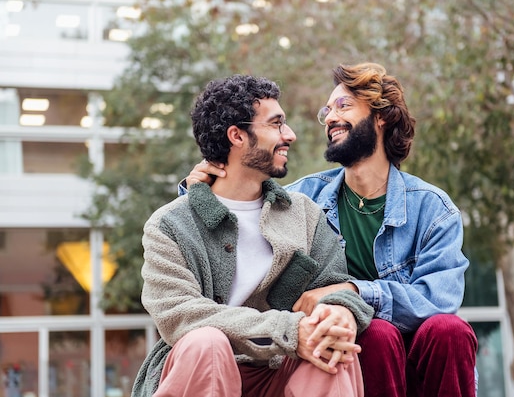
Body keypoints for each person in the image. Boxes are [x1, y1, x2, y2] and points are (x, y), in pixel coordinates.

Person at [181, 62, 478, 397]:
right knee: (376, 332)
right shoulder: (303, 198)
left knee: (450, 329)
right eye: (327, 111)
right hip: (362, 352)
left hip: (423, 359)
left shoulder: (432, 207)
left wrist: (355, 290)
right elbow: (244, 206)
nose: (330, 118)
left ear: (382, 117)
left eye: (343, 106)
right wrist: (200, 188)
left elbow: (440, 298)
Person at [131, 74, 374, 397]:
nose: (290, 135)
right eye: (276, 124)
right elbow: (181, 315)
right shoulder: (170, 225)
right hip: (208, 369)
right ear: (237, 136)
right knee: (206, 342)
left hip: (280, 369)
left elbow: (336, 286)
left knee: (330, 349)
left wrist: (339, 313)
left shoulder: (303, 213)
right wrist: (288, 330)